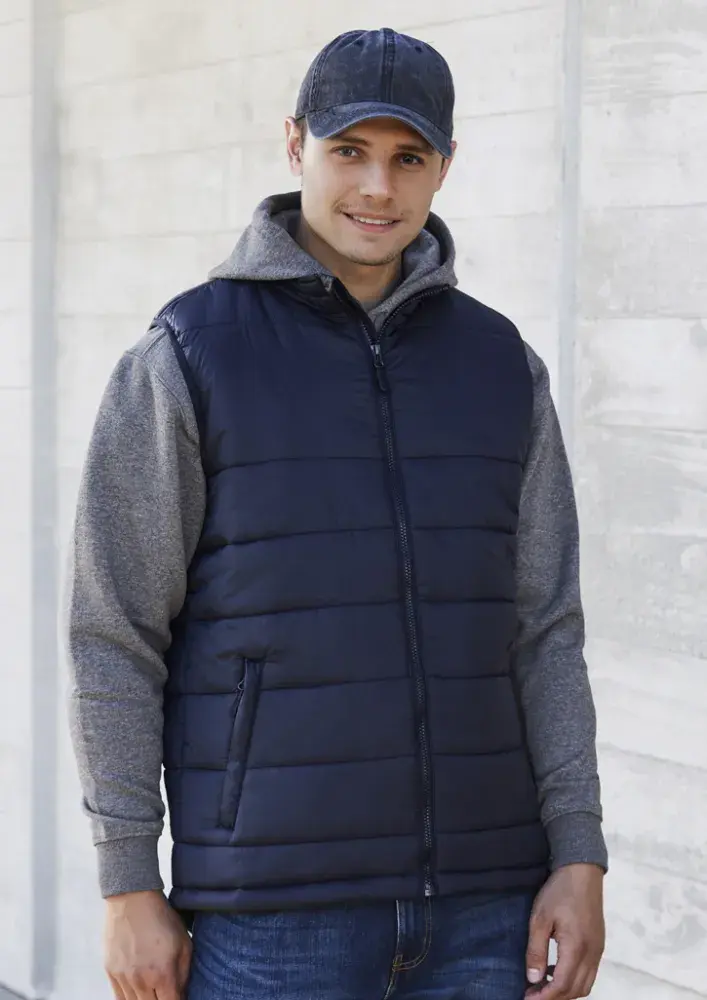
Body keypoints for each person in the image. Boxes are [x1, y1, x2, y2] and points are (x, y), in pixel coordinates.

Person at [66, 27, 607, 1000]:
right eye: (348, 149)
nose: (376, 188)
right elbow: (114, 632)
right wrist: (126, 879)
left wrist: (578, 851)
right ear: (294, 144)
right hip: (273, 918)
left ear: (445, 165)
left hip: (487, 909)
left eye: (408, 158)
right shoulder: (188, 356)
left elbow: (544, 629)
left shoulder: (499, 366)